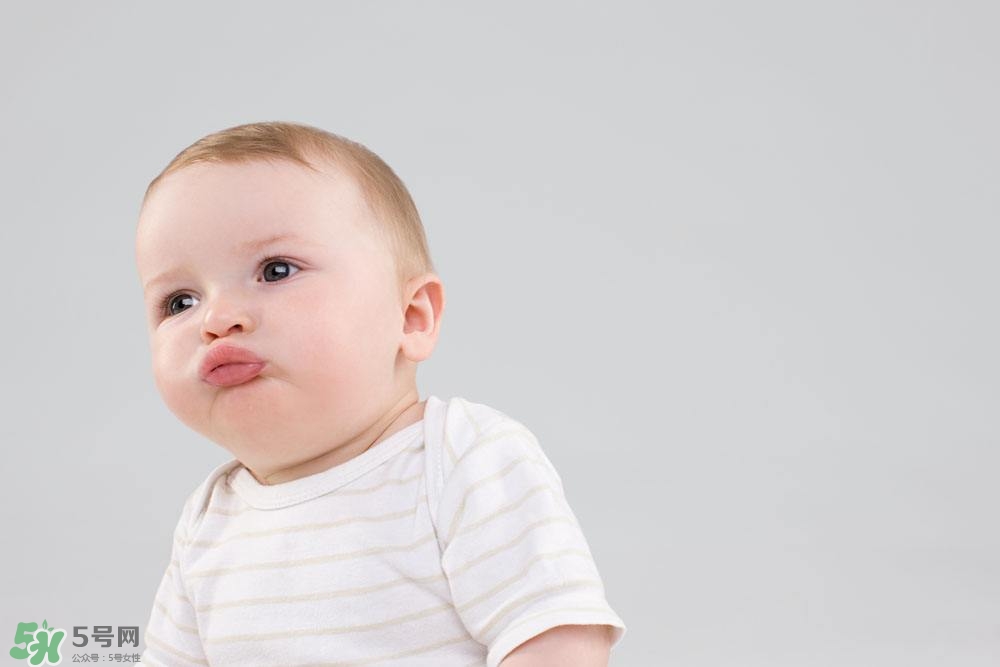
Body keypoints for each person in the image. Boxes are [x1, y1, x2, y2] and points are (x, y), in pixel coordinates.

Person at [133, 121, 626, 666]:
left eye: (276, 270)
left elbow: (558, 639)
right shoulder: (209, 520)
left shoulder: (460, 458)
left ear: (411, 317)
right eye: (179, 302)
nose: (217, 320)